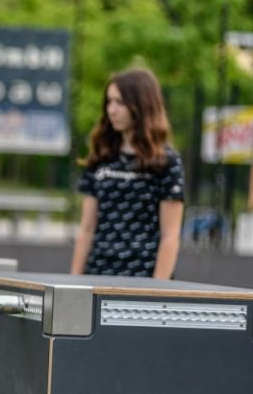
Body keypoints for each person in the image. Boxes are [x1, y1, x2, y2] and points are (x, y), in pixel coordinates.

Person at [70, 67, 184, 279]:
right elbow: (86, 229)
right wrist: (73, 282)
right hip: (98, 276)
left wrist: (156, 293)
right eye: (109, 102)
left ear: (141, 105)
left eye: (120, 102)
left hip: (141, 282)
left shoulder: (166, 162)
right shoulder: (101, 156)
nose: (111, 110)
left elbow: (170, 237)